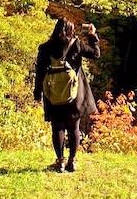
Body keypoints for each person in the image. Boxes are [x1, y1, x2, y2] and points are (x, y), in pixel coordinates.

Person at [34, 17, 100, 172]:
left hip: (53, 93)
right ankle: (72, 161)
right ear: (71, 29)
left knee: (57, 127)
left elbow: (40, 72)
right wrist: (92, 35)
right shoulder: (76, 44)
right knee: (74, 127)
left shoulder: (45, 48)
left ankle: (60, 162)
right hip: (75, 94)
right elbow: (95, 54)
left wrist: (38, 92)